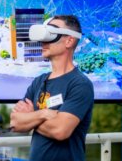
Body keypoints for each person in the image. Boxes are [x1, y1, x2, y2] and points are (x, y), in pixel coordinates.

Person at [10, 15, 94, 161]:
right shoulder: (38, 82)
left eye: (51, 34)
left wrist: (31, 117)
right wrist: (42, 114)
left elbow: (60, 131)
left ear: (69, 40)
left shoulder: (80, 84)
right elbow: (15, 123)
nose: (43, 41)